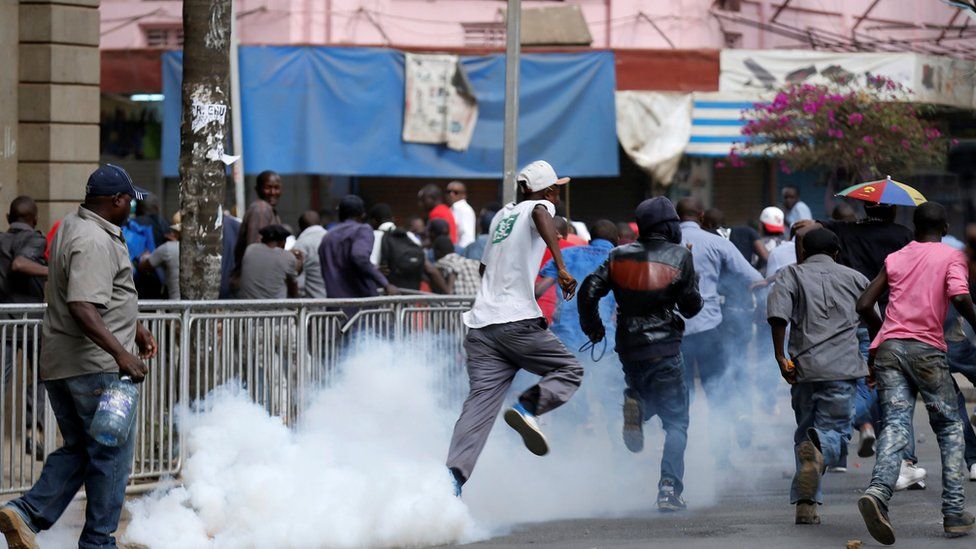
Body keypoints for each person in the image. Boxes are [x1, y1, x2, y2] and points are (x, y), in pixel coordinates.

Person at [0, 164, 157, 549]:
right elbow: (83, 305)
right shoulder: (93, 238)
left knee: (82, 449)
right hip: (95, 367)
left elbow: (97, 294)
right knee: (110, 454)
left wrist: (134, 327)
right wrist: (122, 353)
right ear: (116, 201)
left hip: (66, 363)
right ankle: (98, 542)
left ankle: (26, 513)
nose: (131, 209)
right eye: (128, 202)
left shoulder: (73, 224)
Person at [446, 160, 582, 495]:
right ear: (549, 190)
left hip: (482, 328)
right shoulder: (542, 206)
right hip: (517, 322)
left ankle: (451, 483)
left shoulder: (502, 216)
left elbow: (483, 269)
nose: (557, 197)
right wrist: (561, 266)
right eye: (556, 190)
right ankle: (528, 407)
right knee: (568, 370)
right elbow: (539, 212)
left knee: (478, 407)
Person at [855, 202, 976, 544]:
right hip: (927, 350)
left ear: (913, 226)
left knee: (895, 424)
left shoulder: (896, 257)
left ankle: (878, 493)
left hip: (890, 351)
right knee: (951, 427)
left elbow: (864, 304)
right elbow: (960, 296)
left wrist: (886, 334)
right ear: (946, 226)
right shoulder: (951, 257)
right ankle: (953, 512)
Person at [579, 198, 702, 511]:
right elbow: (691, 306)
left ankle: (637, 405)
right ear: (669, 226)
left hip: (629, 348)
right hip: (665, 348)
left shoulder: (618, 255)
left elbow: (588, 289)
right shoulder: (680, 256)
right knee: (676, 422)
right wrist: (690, 271)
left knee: (643, 390)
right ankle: (668, 489)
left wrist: (594, 329)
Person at [797, 204, 920, 486]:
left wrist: (809, 230)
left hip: (853, 317)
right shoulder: (903, 234)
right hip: (890, 318)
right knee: (893, 389)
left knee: (870, 383)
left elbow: (806, 230)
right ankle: (903, 461)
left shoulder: (846, 230)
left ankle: (850, 431)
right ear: (893, 211)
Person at [767, 228, 869, 526]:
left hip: (804, 369)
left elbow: (777, 317)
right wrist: (874, 357)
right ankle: (820, 452)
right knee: (832, 432)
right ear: (837, 252)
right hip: (842, 368)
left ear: (804, 251)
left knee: (805, 434)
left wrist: (779, 356)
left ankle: (805, 506)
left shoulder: (791, 275)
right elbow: (872, 318)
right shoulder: (855, 278)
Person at [677, 197, 762, 467]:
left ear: (676, 216)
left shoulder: (663, 244)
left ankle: (679, 457)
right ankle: (721, 454)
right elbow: (752, 277)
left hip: (673, 332)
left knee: (680, 396)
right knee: (717, 392)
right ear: (700, 216)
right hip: (708, 327)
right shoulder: (717, 243)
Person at [0, 196, 50, 458]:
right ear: (34, 219)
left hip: (5, 324)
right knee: (41, 378)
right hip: (30, 322)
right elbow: (20, 264)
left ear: (9, 218)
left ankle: (34, 432)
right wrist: (53, 271)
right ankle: (35, 430)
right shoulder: (35, 239)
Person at [536, 219, 618, 351]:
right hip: (604, 343)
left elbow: (538, 291)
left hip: (564, 339)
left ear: (590, 241)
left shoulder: (567, 254)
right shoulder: (621, 261)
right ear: (617, 242)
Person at [319, 196, 397, 299]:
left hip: (334, 305)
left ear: (339, 214)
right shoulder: (362, 230)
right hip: (360, 306)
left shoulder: (327, 237)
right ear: (362, 215)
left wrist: (372, 269)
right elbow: (359, 257)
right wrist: (385, 283)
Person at [232, 170, 283, 286]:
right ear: (257, 189)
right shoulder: (261, 209)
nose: (272, 192)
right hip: (256, 286)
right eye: (268, 188)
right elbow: (256, 253)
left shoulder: (269, 210)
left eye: (277, 188)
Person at [239, 225, 303, 300]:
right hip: (275, 309)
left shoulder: (250, 249)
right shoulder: (287, 257)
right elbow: (293, 293)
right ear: (282, 243)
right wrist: (297, 268)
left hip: (247, 308)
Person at [138, 213, 181, 299]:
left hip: (177, 307)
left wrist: (144, 256)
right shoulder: (202, 248)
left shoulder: (168, 248)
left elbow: (143, 266)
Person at [293, 211, 328, 298]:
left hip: (313, 303)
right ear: (321, 223)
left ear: (301, 227)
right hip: (337, 302)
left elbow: (298, 280)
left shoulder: (300, 244)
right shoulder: (332, 238)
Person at [447, 181, 476, 248]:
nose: (451, 194)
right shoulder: (452, 209)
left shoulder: (465, 210)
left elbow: (467, 236)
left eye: (455, 192)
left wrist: (461, 253)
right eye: (448, 192)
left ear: (464, 195)